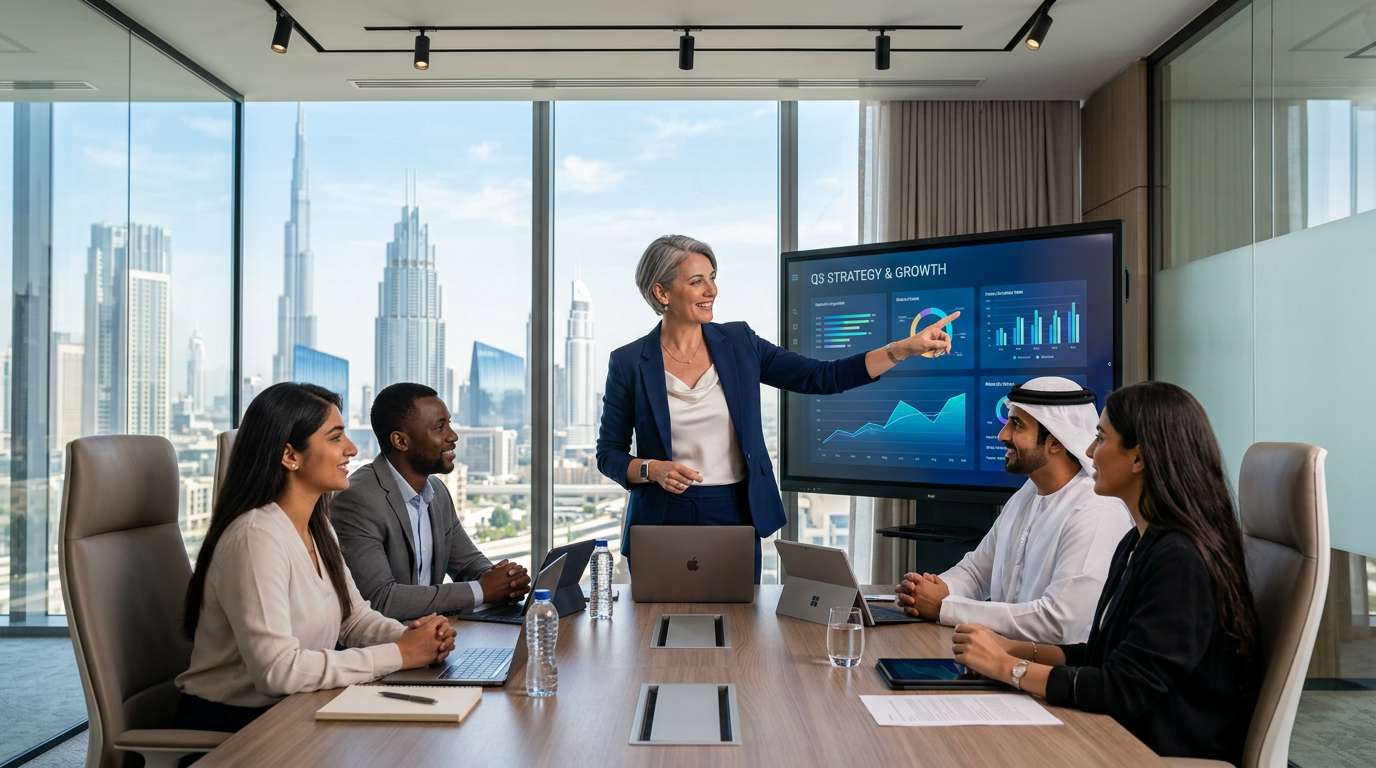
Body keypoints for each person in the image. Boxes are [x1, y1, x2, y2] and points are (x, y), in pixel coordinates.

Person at [596, 234, 956, 581]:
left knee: (737, 629)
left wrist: (904, 349)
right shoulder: (629, 362)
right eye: (697, 281)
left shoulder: (740, 343)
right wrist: (650, 468)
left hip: (734, 510)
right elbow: (608, 453)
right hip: (662, 514)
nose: (712, 291)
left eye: (712, 278)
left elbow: (823, 377)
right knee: (656, 629)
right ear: (662, 292)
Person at [951, 381, 1261, 764]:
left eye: (1101, 438)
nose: (1090, 451)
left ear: (1138, 458)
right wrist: (1013, 648)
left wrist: (1009, 668)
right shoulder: (1139, 541)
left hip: (1152, 750)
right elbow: (1102, 656)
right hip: (1120, 734)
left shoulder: (1179, 559)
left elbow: (1123, 688)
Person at [175, 383, 456, 733]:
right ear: (290, 455)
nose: (352, 449)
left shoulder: (315, 523)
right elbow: (277, 672)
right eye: (336, 437)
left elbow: (353, 620)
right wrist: (399, 655)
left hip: (297, 708)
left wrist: (407, 638)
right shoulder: (255, 537)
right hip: (234, 727)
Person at [894, 377, 1131, 643]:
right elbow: (976, 572)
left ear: (1055, 442)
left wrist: (944, 607)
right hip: (1003, 660)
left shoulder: (1096, 510)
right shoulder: (1028, 493)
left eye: (1016, 425)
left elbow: (1057, 622)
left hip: (1056, 675)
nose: (1002, 435)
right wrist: (928, 591)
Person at [333, 383, 530, 621]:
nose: (453, 436)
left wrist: (507, 579)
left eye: (449, 423)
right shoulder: (358, 500)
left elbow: (467, 563)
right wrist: (482, 590)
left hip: (431, 639)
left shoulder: (436, 490)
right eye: (440, 427)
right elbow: (380, 600)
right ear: (401, 441)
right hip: (383, 650)